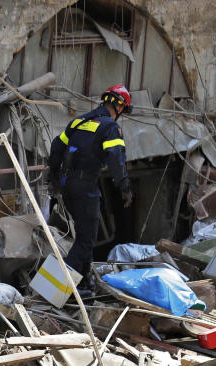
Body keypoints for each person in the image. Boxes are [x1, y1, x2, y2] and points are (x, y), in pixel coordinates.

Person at [47, 84, 133, 293]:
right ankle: (51, 289)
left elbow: (57, 146)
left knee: (85, 235)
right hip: (86, 187)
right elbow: (115, 159)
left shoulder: (79, 121)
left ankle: (85, 283)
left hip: (68, 186)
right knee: (86, 240)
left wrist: (53, 177)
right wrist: (124, 187)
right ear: (120, 107)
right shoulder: (110, 127)